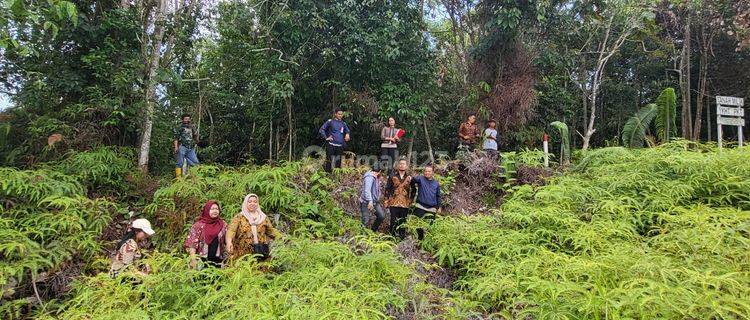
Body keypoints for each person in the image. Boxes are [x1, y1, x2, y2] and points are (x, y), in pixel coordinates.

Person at [226, 194, 280, 261]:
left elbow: (271, 230)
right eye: (250, 201)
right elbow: (231, 230)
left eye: (255, 201)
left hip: (260, 249)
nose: (252, 203)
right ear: (246, 203)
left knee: (259, 269)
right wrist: (229, 241)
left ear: (257, 203)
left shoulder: (263, 217)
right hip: (243, 252)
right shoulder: (239, 217)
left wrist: (282, 237)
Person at [184, 200, 227, 269]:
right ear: (207, 210)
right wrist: (193, 259)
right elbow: (192, 244)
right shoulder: (198, 225)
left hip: (218, 259)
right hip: (202, 259)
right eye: (212, 209)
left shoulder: (222, 224)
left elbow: (226, 241)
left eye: (217, 209)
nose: (215, 211)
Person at [410, 165, 441, 240]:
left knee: (430, 226)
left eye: (429, 171)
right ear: (424, 172)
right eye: (426, 171)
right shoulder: (420, 179)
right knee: (418, 225)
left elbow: (438, 196)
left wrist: (439, 207)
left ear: (432, 172)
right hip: (420, 206)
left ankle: (428, 242)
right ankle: (419, 240)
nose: (427, 173)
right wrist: (412, 178)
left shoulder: (436, 183)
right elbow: (414, 180)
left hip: (432, 208)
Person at [384, 159, 412, 239]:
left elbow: (413, 189)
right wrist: (386, 200)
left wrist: (411, 200)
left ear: (406, 166)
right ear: (398, 165)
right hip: (393, 202)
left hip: (405, 203)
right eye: (400, 164)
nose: (402, 165)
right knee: (393, 221)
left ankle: (401, 238)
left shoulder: (409, 177)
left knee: (403, 221)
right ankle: (391, 237)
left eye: (404, 164)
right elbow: (387, 188)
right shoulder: (393, 176)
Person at [318, 108, 351, 173]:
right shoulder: (330, 121)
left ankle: (336, 177)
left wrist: (347, 134)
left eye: (341, 114)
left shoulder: (343, 123)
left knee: (338, 162)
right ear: (335, 114)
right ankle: (327, 176)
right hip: (331, 144)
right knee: (329, 161)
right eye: (339, 114)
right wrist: (326, 137)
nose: (340, 115)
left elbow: (347, 131)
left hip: (340, 146)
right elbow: (322, 129)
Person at [359, 163, 386, 232]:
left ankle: (372, 231)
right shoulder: (369, 177)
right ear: (379, 171)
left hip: (375, 202)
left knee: (381, 216)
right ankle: (361, 237)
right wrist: (370, 201)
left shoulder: (375, 177)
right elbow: (367, 190)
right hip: (366, 202)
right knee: (365, 220)